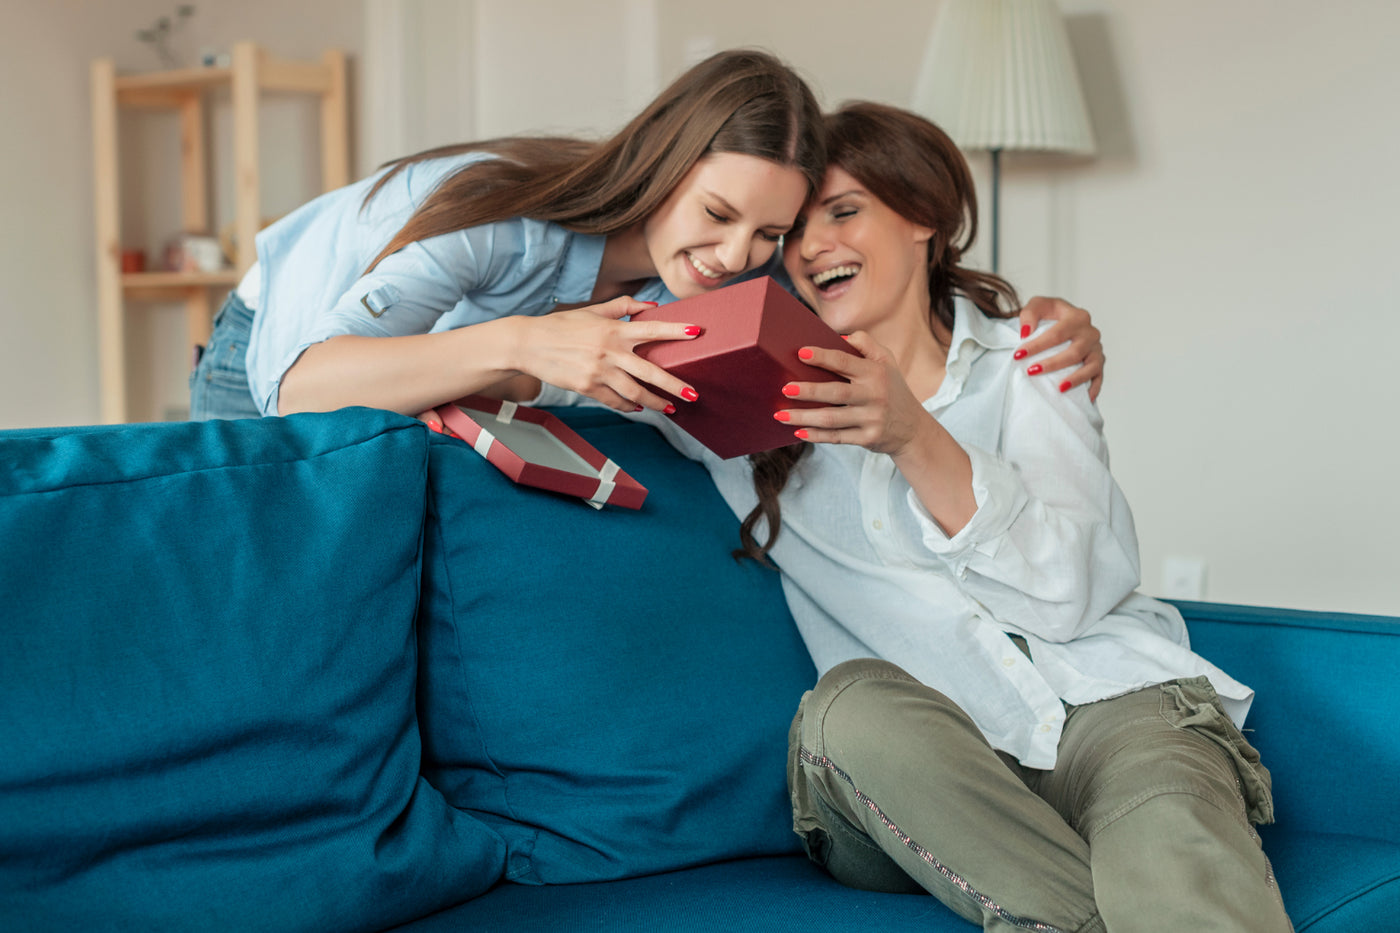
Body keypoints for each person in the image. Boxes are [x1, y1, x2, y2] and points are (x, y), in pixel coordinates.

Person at [634, 102, 1289, 931]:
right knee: (845, 709)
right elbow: (557, 346)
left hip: (1110, 714)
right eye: (793, 229)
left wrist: (914, 434)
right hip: (918, 767)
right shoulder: (747, 398)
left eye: (844, 211)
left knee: (1174, 853)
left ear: (925, 219)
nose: (810, 247)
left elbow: (1069, 596)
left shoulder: (1030, 359)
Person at [192, 48, 1100, 424]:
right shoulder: (491, 218)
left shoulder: (742, 278)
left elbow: (881, 298)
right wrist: (525, 346)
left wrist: (1044, 322)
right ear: (666, 164)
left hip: (438, 399)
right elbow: (297, 388)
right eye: (715, 214)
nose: (735, 256)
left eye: (768, 232)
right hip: (268, 353)